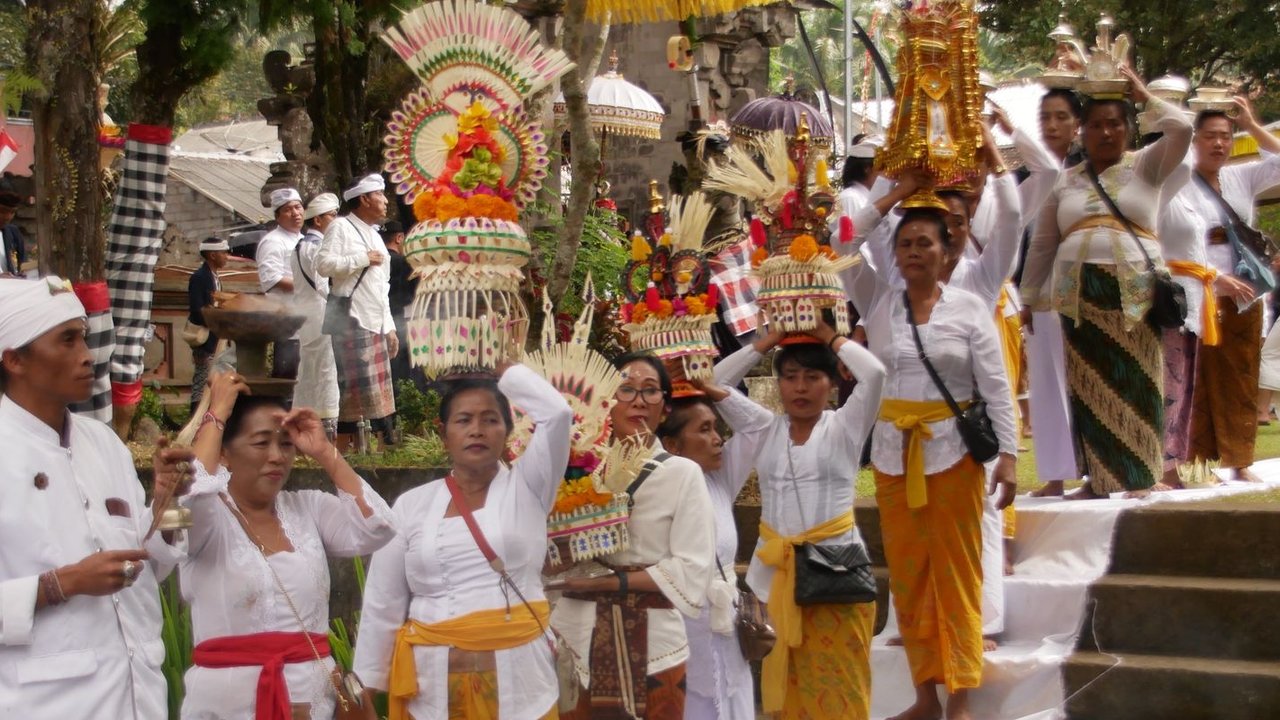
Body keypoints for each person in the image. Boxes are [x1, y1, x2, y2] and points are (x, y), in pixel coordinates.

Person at [0, 276, 191, 718]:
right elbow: (77, 581)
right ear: (15, 359)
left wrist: (170, 501)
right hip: (44, 704)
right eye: (67, 341)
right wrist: (59, 585)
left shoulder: (103, 443)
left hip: (137, 695)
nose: (87, 356)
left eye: (83, 338)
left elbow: (147, 569)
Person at [863, 210, 1018, 720]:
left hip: (953, 451)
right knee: (909, 574)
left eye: (924, 242)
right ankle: (925, 694)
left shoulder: (971, 309)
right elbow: (842, 239)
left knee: (957, 570)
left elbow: (996, 388)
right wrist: (895, 196)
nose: (912, 251)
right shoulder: (879, 303)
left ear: (947, 251)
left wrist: (1011, 457)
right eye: (904, 243)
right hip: (892, 454)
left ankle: (961, 694)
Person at [353, 360, 573, 719]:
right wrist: (367, 686)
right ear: (444, 433)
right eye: (463, 420)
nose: (477, 430)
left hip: (523, 686)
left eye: (490, 419)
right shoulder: (412, 505)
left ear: (507, 430)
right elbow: (383, 600)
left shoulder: (530, 487)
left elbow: (558, 414)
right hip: (431, 689)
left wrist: (509, 372)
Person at [179, 370, 394, 718]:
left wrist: (325, 451)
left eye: (286, 443)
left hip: (314, 704)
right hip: (227, 708)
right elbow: (188, 498)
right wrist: (215, 414)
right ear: (225, 454)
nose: (277, 456)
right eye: (262, 442)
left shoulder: (307, 507)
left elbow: (379, 527)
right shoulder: (207, 518)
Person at [1020, 68, 1193, 498]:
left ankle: (1143, 475)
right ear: (1083, 130)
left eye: (1115, 123)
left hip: (1135, 289)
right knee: (1089, 384)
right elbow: (1043, 244)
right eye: (1096, 124)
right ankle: (1099, 479)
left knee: (1138, 379)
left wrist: (1144, 94)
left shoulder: (1148, 167)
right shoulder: (1065, 182)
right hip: (1079, 293)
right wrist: (1028, 298)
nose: (1106, 132)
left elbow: (1184, 128)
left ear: (1129, 128)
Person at [707, 320, 887, 720]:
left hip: (837, 576)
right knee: (785, 683)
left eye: (812, 377)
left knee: (841, 682)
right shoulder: (764, 427)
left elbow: (874, 373)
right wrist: (767, 342)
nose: (800, 387)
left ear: (833, 384)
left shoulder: (845, 426)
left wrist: (830, 337)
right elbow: (713, 380)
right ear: (780, 384)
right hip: (775, 578)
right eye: (790, 377)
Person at [553, 354, 715, 720]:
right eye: (626, 389)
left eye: (650, 391)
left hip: (655, 645)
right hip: (574, 637)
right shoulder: (574, 469)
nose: (638, 400)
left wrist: (610, 583)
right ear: (606, 401)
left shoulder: (683, 474)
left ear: (666, 406)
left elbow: (692, 569)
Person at [1180, 97, 1280, 483]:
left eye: (1225, 137)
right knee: (1199, 377)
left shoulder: (1242, 175)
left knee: (1240, 375)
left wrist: (1253, 124)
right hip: (1201, 289)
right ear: (1196, 141)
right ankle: (1198, 464)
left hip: (1244, 294)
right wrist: (1209, 276)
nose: (1218, 144)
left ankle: (1240, 461)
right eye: (1210, 137)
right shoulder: (1181, 180)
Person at [655, 392, 754, 720]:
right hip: (683, 627)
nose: (718, 440)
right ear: (671, 445)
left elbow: (757, 426)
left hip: (728, 623)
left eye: (717, 428)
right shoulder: (654, 492)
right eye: (705, 430)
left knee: (734, 701)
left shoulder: (720, 479)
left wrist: (706, 385)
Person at [1018, 88, 1086, 497]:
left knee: (1087, 380)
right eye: (1046, 117)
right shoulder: (1027, 177)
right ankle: (1057, 475)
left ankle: (1098, 471)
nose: (1052, 125)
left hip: (1086, 287)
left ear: (1077, 122)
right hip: (1040, 291)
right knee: (1045, 382)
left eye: (1061, 116)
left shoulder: (1089, 171)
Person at [316, 174, 398, 449]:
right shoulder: (340, 227)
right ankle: (349, 450)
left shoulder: (375, 235)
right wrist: (362, 259)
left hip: (375, 319)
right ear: (364, 199)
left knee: (379, 393)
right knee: (354, 391)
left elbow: (381, 286)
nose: (386, 201)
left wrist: (390, 327)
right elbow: (324, 265)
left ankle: (381, 448)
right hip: (351, 318)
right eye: (380, 195)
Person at [293, 193, 341, 435]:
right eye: (333, 215)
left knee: (307, 373)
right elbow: (324, 288)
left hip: (305, 317)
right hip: (323, 316)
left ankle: (300, 423)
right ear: (319, 220)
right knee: (326, 372)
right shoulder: (318, 248)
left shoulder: (299, 246)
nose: (336, 220)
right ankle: (327, 427)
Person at [257, 187, 305, 379]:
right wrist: (308, 285)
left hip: (308, 321)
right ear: (278, 216)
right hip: (287, 324)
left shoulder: (304, 239)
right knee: (288, 382)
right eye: (288, 209)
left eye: (298, 207)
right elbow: (272, 279)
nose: (295, 213)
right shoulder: (273, 241)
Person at [188, 237, 230, 411]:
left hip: (215, 336)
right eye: (223, 252)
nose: (227, 256)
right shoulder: (199, 277)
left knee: (212, 379)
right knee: (202, 380)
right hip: (205, 337)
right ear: (212, 255)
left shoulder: (214, 276)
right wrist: (217, 316)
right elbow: (197, 310)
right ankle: (193, 421)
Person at [382, 220, 418, 397]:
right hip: (401, 320)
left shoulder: (377, 261)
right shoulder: (405, 263)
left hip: (380, 319)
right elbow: (414, 294)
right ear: (399, 238)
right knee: (402, 369)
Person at [0, 192, 26, 277]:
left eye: (12, 212)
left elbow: (23, 262)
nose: (8, 217)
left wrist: (23, 272)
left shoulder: (13, 232)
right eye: (2, 211)